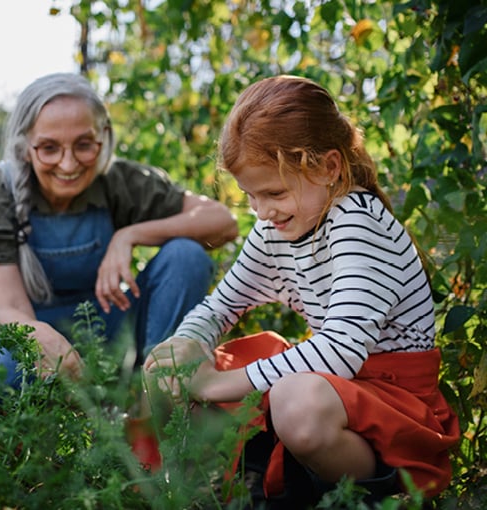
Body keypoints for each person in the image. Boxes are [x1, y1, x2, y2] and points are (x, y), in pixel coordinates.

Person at [144, 75, 460, 506]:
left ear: (329, 167)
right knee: (166, 361)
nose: (262, 211)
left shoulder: (357, 220)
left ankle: (372, 494)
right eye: (250, 196)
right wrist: (188, 344)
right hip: (335, 386)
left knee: (296, 400)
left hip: (392, 403)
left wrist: (215, 384)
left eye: (273, 192)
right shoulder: (277, 226)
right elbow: (222, 306)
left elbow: (341, 351)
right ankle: (202, 488)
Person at [0, 71, 238, 392]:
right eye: (49, 148)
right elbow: (8, 307)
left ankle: (158, 389)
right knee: (3, 374)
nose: (68, 165)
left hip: (109, 328)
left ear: (103, 138)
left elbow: (222, 221)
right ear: (25, 147)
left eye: (84, 145)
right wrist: (46, 342)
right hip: (29, 329)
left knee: (186, 255)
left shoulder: (119, 181)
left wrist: (129, 236)